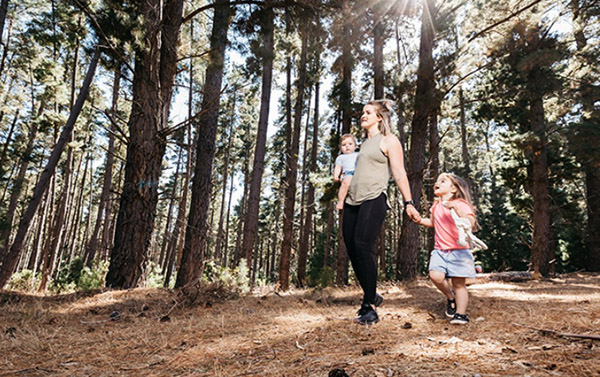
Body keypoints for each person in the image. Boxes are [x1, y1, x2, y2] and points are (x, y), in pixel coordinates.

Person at [343, 99, 419, 325]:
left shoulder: (388, 140)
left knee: (362, 245)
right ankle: (372, 292)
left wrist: (409, 201)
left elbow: (398, 171)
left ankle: (369, 307)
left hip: (374, 197)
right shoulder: (363, 145)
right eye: (362, 112)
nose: (362, 115)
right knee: (352, 248)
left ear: (379, 117)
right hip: (352, 200)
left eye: (368, 112)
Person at [414, 173, 478, 325]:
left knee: (459, 284)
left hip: (459, 251)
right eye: (437, 180)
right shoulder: (436, 205)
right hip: (440, 250)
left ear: (454, 188)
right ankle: (450, 298)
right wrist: (419, 220)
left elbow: (470, 221)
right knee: (435, 276)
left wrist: (456, 207)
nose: (437, 182)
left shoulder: (460, 203)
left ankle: (460, 314)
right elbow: (432, 223)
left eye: (443, 181)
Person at [333, 134, 359, 210]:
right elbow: (338, 167)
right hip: (348, 173)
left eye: (350, 144)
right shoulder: (341, 157)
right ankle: (341, 201)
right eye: (344, 145)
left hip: (358, 173)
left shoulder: (358, 154)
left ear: (355, 146)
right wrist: (336, 176)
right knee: (345, 184)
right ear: (340, 148)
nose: (347, 146)